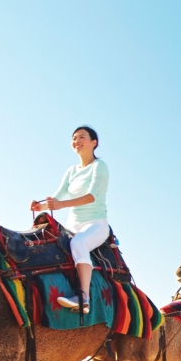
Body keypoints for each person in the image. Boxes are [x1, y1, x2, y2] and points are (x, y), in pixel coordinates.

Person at [30, 126, 109, 314]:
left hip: (95, 224)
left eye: (82, 137)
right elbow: (57, 197)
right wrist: (40, 207)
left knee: (78, 243)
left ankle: (84, 298)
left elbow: (92, 196)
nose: (77, 141)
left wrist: (61, 205)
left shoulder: (99, 166)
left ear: (93, 143)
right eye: (74, 138)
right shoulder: (71, 171)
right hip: (72, 225)